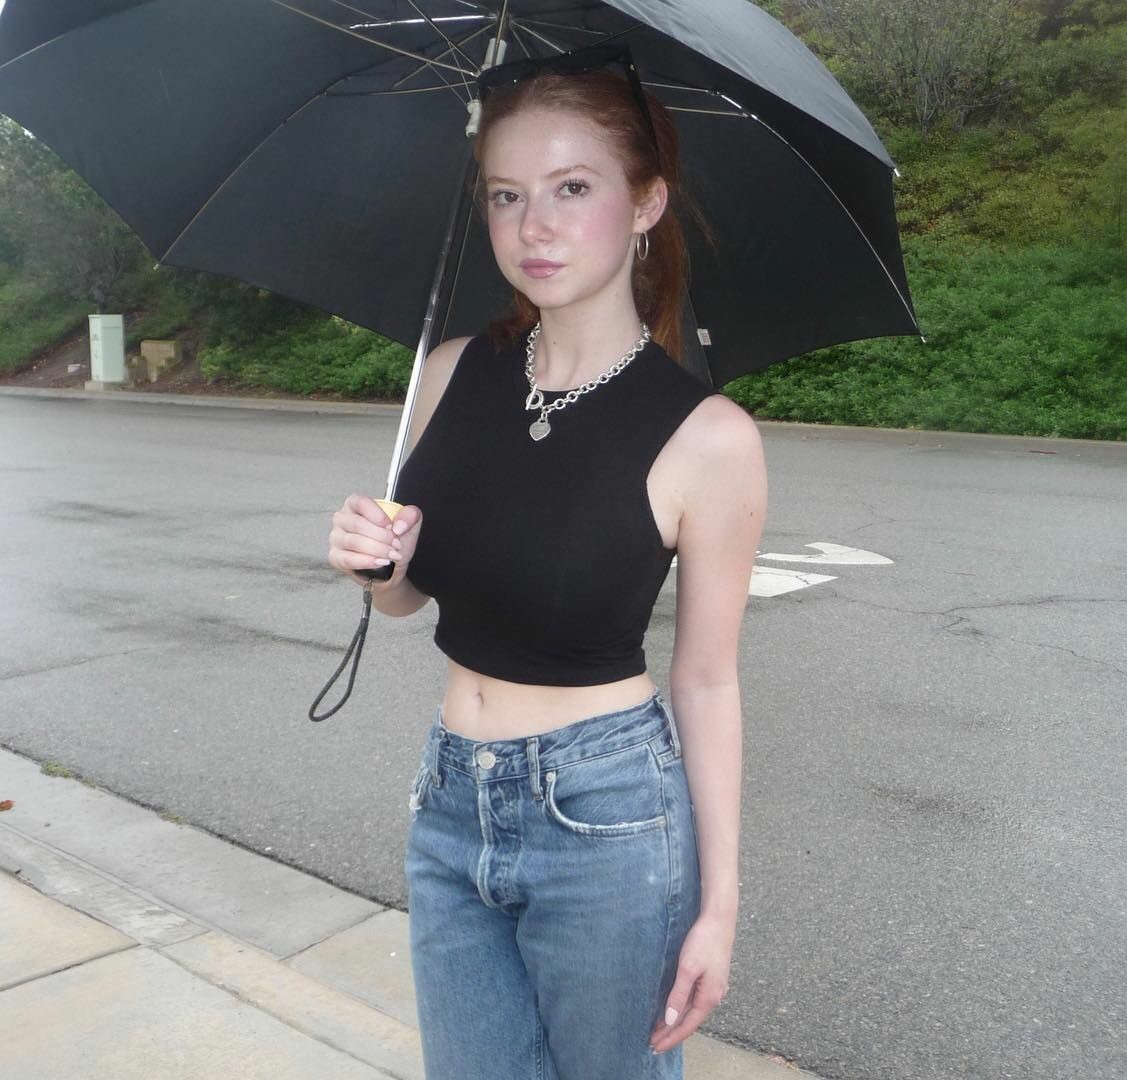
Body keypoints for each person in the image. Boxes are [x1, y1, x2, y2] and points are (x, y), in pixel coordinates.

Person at [326, 59, 767, 1080]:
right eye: (506, 195)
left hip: (607, 817)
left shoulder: (710, 437)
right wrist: (375, 566)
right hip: (449, 801)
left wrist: (719, 908)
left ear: (645, 203)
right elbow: (409, 600)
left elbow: (708, 681)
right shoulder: (450, 373)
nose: (535, 226)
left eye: (573, 187)